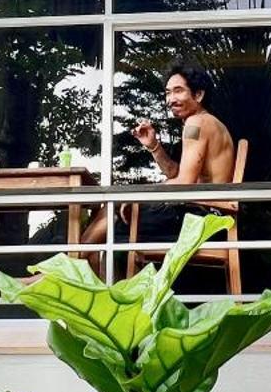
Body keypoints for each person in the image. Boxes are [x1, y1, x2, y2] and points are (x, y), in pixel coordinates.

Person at [81, 64, 237, 257]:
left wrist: (139, 196)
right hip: (206, 218)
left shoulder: (196, 123)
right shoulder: (205, 123)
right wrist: (154, 146)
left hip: (203, 221)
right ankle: (66, 271)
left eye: (178, 91)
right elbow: (177, 175)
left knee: (112, 216)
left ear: (198, 95)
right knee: (112, 222)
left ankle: (60, 272)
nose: (171, 99)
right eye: (168, 93)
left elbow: (185, 184)